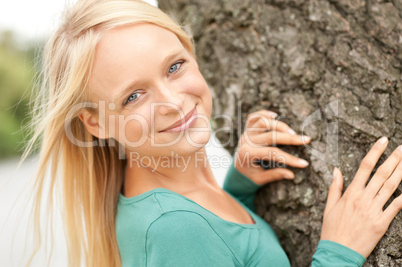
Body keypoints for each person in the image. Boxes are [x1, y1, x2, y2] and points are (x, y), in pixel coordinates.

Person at [23, 0, 401, 266]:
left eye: (174, 66)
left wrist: (239, 193)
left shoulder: (176, 205)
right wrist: (338, 252)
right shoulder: (175, 230)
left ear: (190, 51)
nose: (172, 101)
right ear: (96, 123)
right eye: (134, 96)